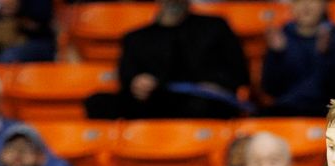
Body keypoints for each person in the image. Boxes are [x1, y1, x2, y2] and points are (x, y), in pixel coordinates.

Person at [84, 0, 249, 120]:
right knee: (98, 102)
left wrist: (215, 84)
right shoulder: (136, 38)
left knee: (202, 106)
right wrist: (136, 82)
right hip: (154, 102)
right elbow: (127, 76)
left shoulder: (215, 27)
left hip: (203, 101)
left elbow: (239, 73)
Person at [260, 0, 335, 117]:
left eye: (312, 1)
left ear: (325, 5)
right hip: (285, 111)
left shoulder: (334, 35)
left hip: (326, 112)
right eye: (298, 1)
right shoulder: (281, 36)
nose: (305, 6)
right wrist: (276, 55)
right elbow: (270, 88)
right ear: (291, 6)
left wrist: (328, 56)